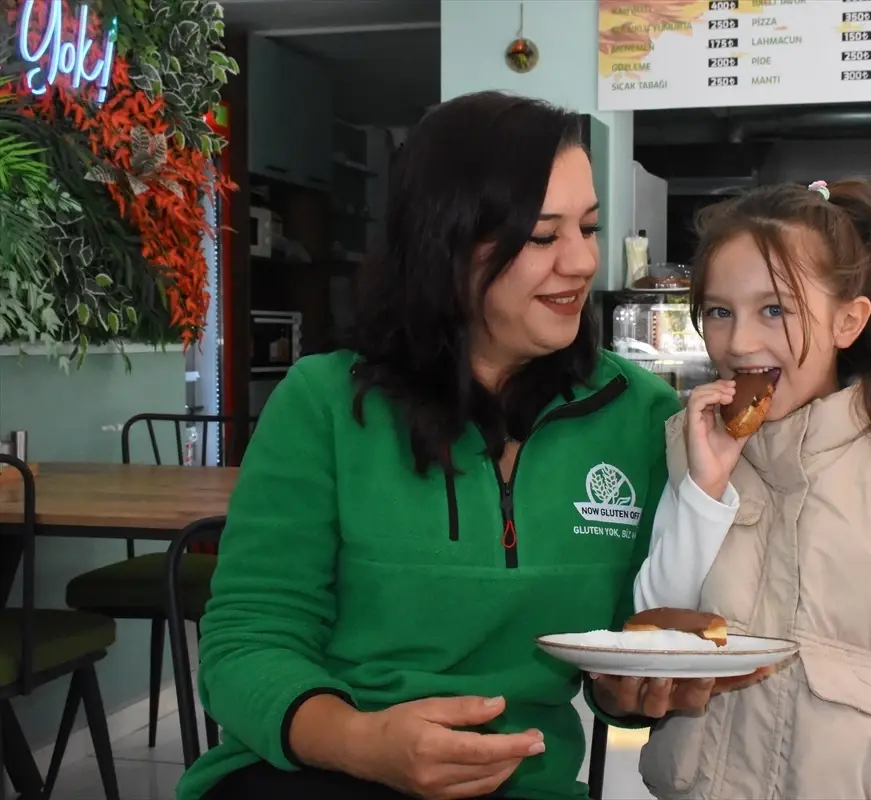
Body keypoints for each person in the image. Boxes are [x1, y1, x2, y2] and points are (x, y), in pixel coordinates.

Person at [175, 91, 727, 800]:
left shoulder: (641, 417)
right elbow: (247, 642)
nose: (582, 261)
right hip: (317, 770)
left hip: (521, 783)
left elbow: (618, 659)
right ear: (447, 240)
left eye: (588, 228)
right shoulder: (323, 404)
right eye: (541, 236)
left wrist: (642, 687)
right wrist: (362, 742)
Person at [632, 179, 871, 800]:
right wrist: (705, 491)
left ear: (847, 320)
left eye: (775, 309)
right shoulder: (694, 449)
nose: (739, 343)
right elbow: (653, 627)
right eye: (719, 311)